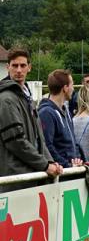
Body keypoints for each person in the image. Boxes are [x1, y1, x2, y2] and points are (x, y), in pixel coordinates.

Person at [0, 49, 61, 191]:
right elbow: (15, 141)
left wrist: (50, 161)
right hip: (16, 180)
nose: (19, 70)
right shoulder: (6, 98)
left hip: (32, 176)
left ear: (29, 67)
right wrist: (45, 165)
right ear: (7, 67)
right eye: (14, 66)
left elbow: (40, 138)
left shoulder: (27, 96)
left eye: (23, 65)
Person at [38, 69, 83, 168]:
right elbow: (47, 146)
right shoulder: (46, 113)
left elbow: (72, 142)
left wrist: (78, 159)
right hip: (60, 174)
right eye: (72, 85)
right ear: (65, 88)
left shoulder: (65, 111)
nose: (73, 89)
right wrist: (67, 165)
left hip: (73, 170)